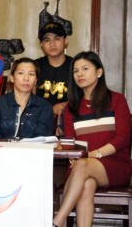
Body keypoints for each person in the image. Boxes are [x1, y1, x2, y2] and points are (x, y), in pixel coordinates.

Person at [53, 51, 131, 227]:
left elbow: (123, 139)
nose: (79, 74)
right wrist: (74, 157)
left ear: (99, 72)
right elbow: (70, 143)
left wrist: (93, 155)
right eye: (76, 71)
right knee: (87, 185)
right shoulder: (71, 108)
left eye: (85, 68)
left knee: (83, 164)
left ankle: (57, 220)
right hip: (81, 166)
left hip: (114, 164)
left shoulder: (117, 100)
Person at [0, 57, 54, 139]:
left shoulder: (44, 106)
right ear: (12, 78)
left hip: (32, 151)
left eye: (31, 74)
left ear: (35, 81)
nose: (26, 78)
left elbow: (42, 137)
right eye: (21, 73)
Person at [35, 21, 73, 134]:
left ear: (65, 41)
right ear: (41, 44)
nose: (52, 44)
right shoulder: (34, 67)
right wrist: (49, 111)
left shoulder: (76, 66)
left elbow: (85, 97)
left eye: (57, 38)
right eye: (47, 40)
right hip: (39, 119)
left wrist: (62, 106)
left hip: (70, 118)